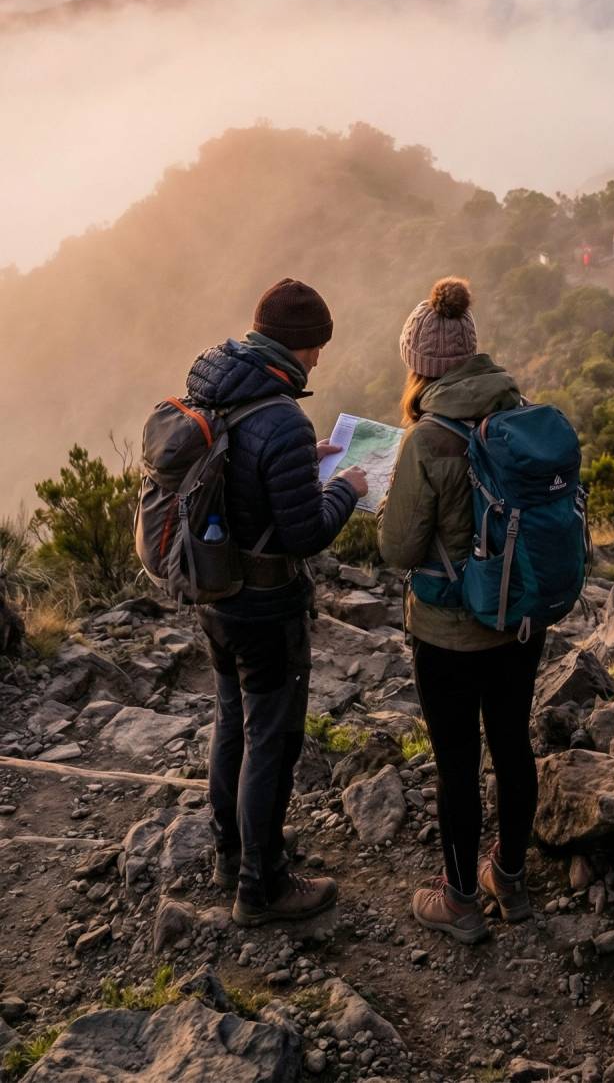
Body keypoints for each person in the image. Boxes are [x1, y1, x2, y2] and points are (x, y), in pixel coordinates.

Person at [187, 278, 368, 926]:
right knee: (272, 740)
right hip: (266, 607)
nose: (318, 359)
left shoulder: (217, 387)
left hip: (216, 594)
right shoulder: (283, 416)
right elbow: (307, 532)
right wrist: (346, 486)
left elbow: (244, 479)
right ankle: (261, 890)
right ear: (298, 346)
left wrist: (303, 463)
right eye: (316, 347)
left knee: (232, 720)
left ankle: (230, 855)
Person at [378, 277, 545, 946]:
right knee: (512, 747)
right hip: (520, 624)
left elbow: (400, 548)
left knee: (456, 763)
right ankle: (510, 878)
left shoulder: (427, 440)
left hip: (448, 633)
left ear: (418, 366)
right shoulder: (519, 414)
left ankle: (460, 902)